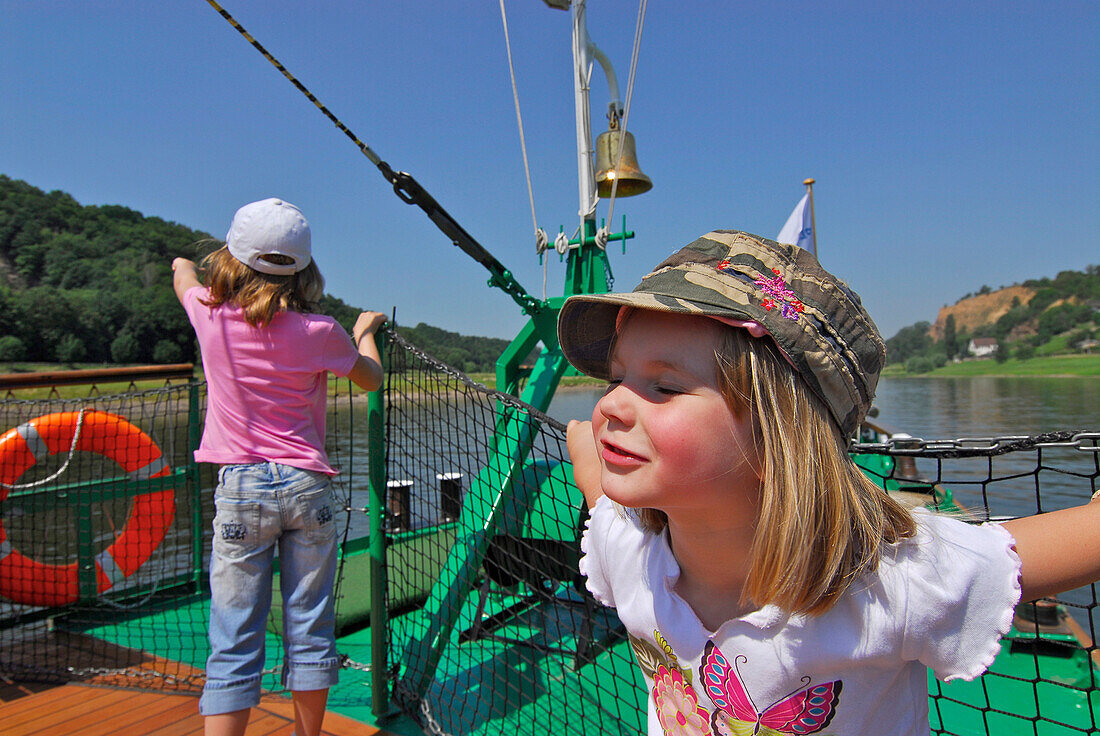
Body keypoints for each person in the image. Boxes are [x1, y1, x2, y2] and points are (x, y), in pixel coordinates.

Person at [559, 229, 1100, 736]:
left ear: (779, 437)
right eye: (615, 378)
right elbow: (594, 480)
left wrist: (586, 442)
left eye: (664, 387)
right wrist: (585, 441)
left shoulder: (890, 584)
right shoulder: (625, 544)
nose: (610, 405)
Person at [171, 197, 387, 736]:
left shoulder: (207, 312)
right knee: (310, 625)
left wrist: (184, 265)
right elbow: (371, 380)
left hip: (241, 486)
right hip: (307, 486)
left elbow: (182, 275)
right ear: (305, 269)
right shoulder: (320, 331)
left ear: (230, 259)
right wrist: (365, 335)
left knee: (234, 634)